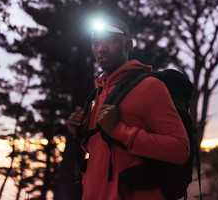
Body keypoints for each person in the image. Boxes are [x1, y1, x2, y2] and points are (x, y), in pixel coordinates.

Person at [66, 17, 190, 200]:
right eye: (96, 42)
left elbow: (180, 150)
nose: (102, 48)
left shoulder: (150, 86)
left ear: (129, 45)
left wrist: (119, 130)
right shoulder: (96, 94)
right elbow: (108, 155)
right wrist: (82, 135)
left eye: (112, 40)